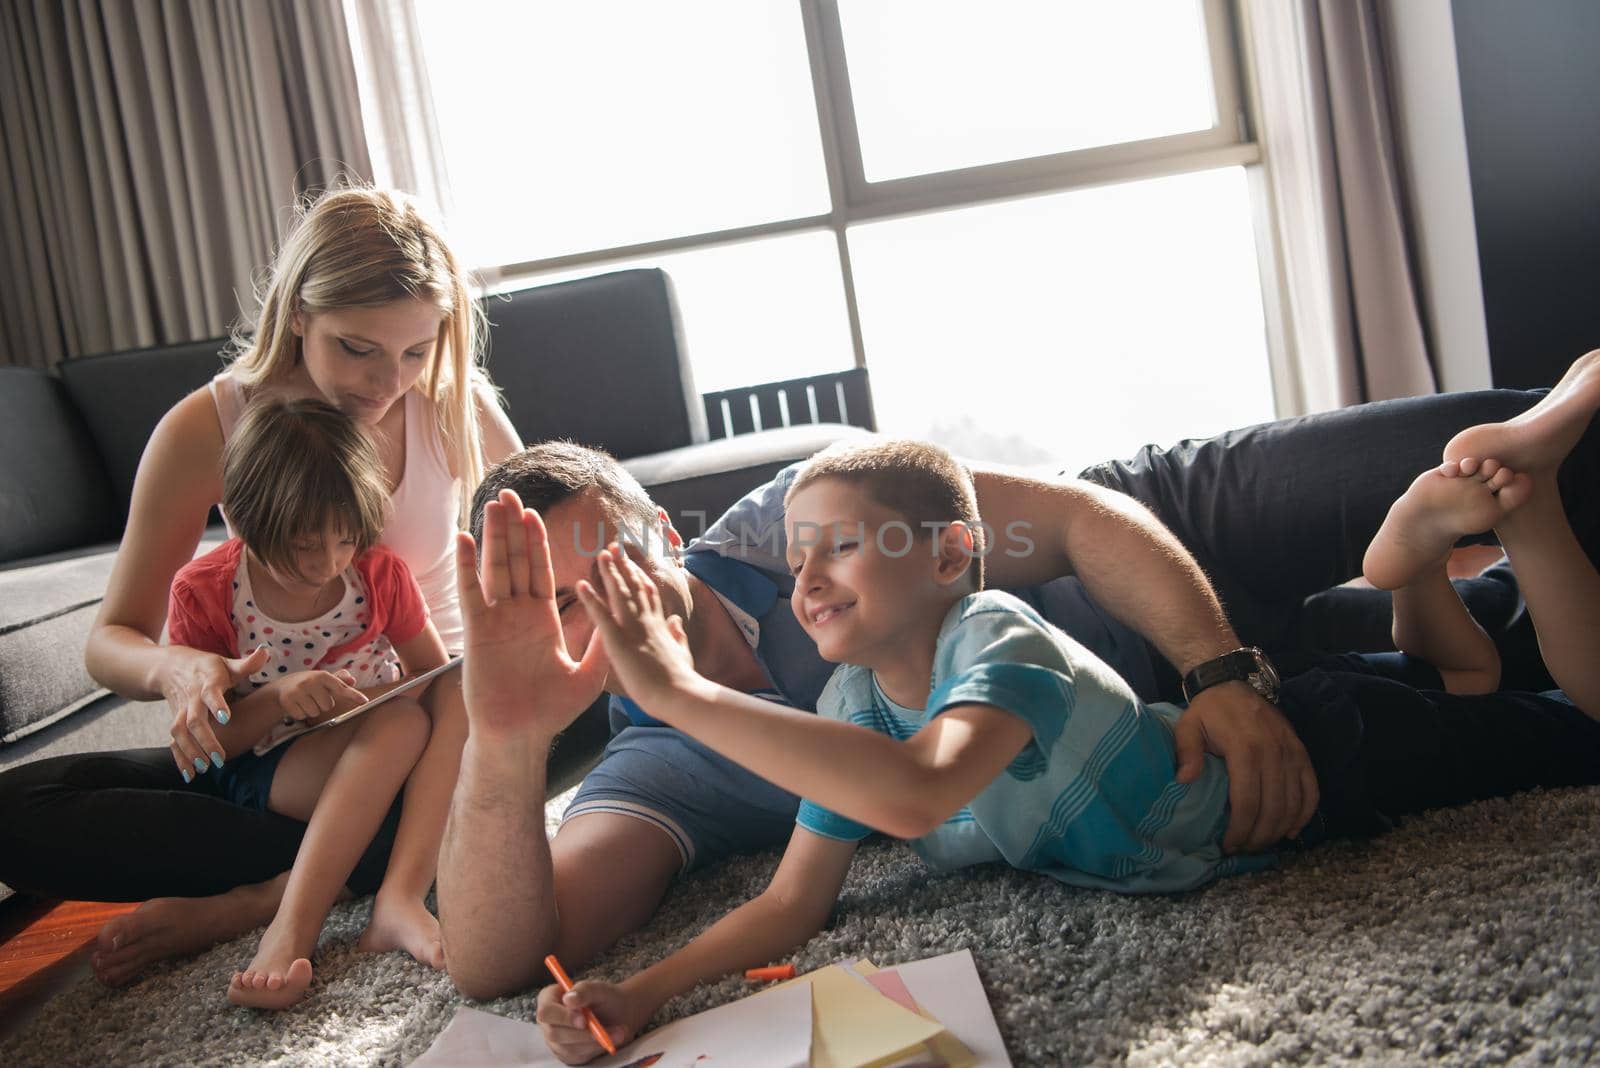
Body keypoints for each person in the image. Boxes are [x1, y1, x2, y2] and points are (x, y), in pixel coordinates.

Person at [436, 355, 1600, 1005]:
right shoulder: (664, 757)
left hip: (1162, 549)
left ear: (662, 531)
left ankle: (1428, 559)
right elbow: (499, 959)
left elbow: (1084, 520)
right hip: (1178, 737)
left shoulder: (793, 527)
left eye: (622, 552)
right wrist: (502, 736)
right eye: (567, 596)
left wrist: (1222, 672)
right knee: (1482, 664)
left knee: (1503, 448)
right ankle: (1423, 586)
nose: (618, 595)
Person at [0, 186, 521, 987]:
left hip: (442, 724)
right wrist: (179, 670)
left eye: (415, 351)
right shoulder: (208, 425)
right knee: (17, 810)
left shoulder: (454, 409)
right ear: (300, 313)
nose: (389, 380)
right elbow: (113, 641)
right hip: (284, 745)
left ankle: (262, 898)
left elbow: (542, 564)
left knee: (496, 721)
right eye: (357, 348)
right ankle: (379, 859)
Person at [170, 396, 456, 1007]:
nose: (327, 563)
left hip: (375, 741)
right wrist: (278, 698)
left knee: (446, 695)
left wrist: (361, 702)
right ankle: (290, 929)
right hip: (271, 764)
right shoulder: (208, 593)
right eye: (304, 544)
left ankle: (394, 897)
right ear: (247, 521)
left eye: (345, 540)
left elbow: (431, 673)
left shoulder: (376, 574)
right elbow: (209, 748)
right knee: (404, 728)